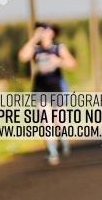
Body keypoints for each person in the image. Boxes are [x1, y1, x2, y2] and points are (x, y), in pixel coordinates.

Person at [18, 22, 76, 165]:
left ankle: (63, 140)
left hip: (57, 87)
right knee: (45, 121)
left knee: (59, 121)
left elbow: (72, 64)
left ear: (51, 33)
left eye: (44, 31)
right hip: (40, 88)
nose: (42, 34)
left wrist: (59, 62)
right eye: (39, 31)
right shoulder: (35, 49)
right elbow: (22, 57)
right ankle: (52, 151)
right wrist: (33, 39)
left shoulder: (58, 48)